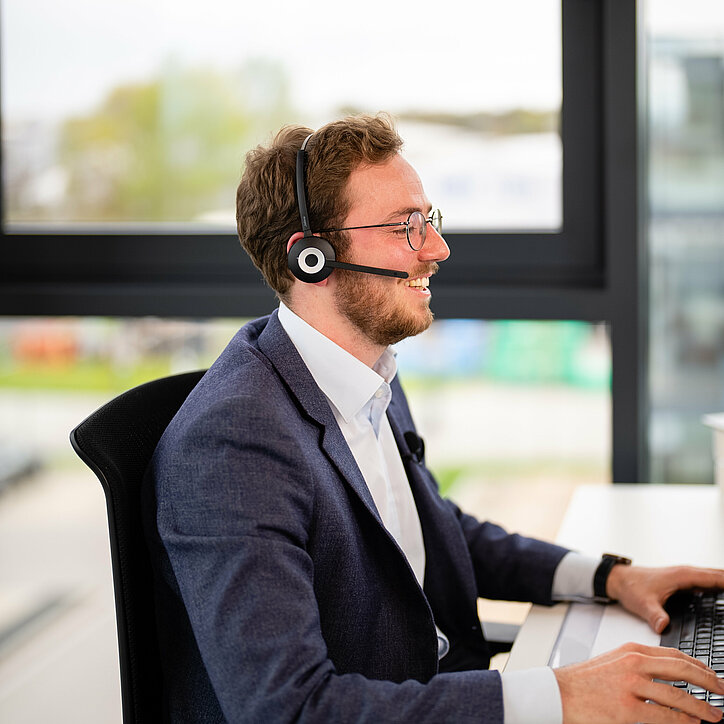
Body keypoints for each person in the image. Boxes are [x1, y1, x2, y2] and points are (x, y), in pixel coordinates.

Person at [144, 113, 724, 723]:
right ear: (310, 257)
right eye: (405, 228)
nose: (437, 250)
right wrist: (563, 696)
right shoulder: (234, 447)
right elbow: (289, 711)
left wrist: (608, 578)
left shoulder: (365, 373)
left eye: (430, 221)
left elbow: (433, 529)